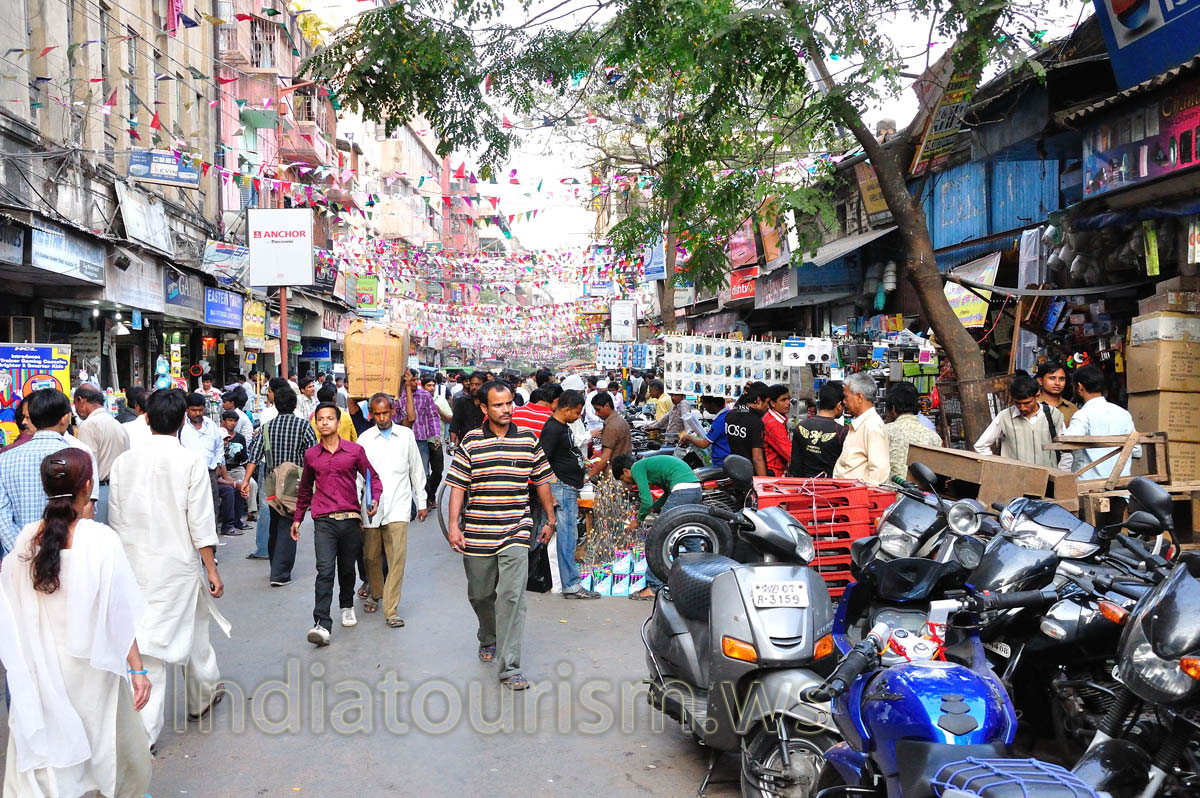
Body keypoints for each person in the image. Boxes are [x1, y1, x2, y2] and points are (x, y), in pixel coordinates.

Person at [0, 448, 152, 797]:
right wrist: (137, 668)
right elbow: (119, 612)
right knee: (102, 750)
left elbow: (11, 605)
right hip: (92, 672)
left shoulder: (25, 540)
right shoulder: (100, 539)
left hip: (41, 670)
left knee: (49, 760)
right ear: (88, 486)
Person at [108, 388, 228, 746]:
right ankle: (181, 711)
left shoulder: (123, 463)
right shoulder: (189, 462)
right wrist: (211, 568)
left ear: (146, 418)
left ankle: (166, 717)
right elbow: (201, 523)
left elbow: (116, 520)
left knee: (153, 642)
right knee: (184, 638)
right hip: (177, 567)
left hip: (134, 567)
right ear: (181, 421)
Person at [445, 380, 556, 691]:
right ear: (484, 408)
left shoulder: (528, 440)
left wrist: (549, 517)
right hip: (478, 531)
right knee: (480, 594)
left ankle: (509, 666)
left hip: (516, 529)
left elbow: (541, 480)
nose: (506, 410)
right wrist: (455, 525)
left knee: (511, 597)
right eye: (498, 405)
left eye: (509, 404)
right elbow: (457, 485)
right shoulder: (471, 441)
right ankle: (488, 634)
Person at [292, 403, 383, 646]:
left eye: (329, 418)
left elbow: (371, 476)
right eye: (320, 419)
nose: (324, 423)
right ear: (316, 423)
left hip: (350, 519)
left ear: (337, 421)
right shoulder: (311, 455)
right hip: (323, 520)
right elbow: (304, 489)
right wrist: (298, 517)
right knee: (324, 570)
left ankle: (345, 605)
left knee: (346, 568)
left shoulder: (354, 451)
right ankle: (322, 622)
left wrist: (373, 498)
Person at [0, 389, 99, 560]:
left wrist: (23, 551)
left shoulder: (5, 459)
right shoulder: (79, 455)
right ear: (64, 418)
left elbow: (2, 516)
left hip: (19, 559)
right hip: (69, 556)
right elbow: (86, 508)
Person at [357, 394, 427, 628]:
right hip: (371, 506)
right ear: (371, 414)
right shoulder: (365, 438)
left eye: (386, 413)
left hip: (399, 504)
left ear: (393, 411)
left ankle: (391, 609)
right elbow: (358, 476)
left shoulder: (406, 436)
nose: (382, 417)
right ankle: (376, 592)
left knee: (397, 558)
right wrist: (357, 506)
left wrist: (423, 500)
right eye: (377, 414)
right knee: (371, 556)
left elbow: (416, 469)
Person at [240, 385, 317, 586]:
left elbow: (254, 457)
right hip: (294, 483)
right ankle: (280, 574)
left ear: (276, 405)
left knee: (275, 522)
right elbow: (313, 456)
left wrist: (246, 481)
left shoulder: (266, 428)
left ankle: (276, 564)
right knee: (289, 523)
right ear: (293, 405)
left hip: (271, 483)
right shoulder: (303, 426)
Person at [612, 452, 701, 600]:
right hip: (694, 489)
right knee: (689, 535)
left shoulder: (636, 468)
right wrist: (654, 508)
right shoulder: (649, 466)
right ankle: (701, 579)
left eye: (623, 479)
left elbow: (645, 500)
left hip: (682, 490)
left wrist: (638, 520)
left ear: (626, 471)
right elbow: (667, 493)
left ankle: (653, 587)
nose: (627, 482)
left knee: (658, 537)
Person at [539, 390, 599, 599]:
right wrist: (551, 488)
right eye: (577, 412)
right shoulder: (552, 429)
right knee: (567, 537)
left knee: (567, 536)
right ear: (566, 409)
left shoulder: (562, 427)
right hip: (561, 488)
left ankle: (567, 583)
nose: (579, 416)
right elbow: (542, 461)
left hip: (567, 486)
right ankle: (571, 585)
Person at [973, 374, 1071, 470]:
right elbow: (981, 446)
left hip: (1048, 479)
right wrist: (999, 467)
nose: (1022, 407)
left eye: (1027, 403)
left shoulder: (1053, 415)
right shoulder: (1004, 417)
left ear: (1037, 396)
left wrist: (1060, 474)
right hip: (1015, 480)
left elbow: (1066, 451)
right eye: (1017, 403)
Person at [1062, 365, 1139, 481]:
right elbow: (1137, 451)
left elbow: (1066, 444)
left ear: (1079, 386)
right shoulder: (1123, 414)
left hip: (1088, 487)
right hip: (1120, 486)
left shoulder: (1083, 415)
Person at [73, 384, 129, 524]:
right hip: (120, 490)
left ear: (81, 400)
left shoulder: (89, 425)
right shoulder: (117, 425)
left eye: (75, 404)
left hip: (99, 492)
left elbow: (87, 465)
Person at [181, 392, 231, 536]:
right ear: (187, 409)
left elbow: (219, 446)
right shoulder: (182, 427)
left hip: (209, 473)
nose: (197, 413)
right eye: (194, 410)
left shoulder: (210, 425)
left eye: (200, 410)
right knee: (190, 509)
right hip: (187, 474)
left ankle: (211, 548)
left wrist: (217, 465)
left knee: (211, 508)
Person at [832, 373, 890, 485]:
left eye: (846, 397)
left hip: (855, 497)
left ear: (859, 397)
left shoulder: (872, 425)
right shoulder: (861, 424)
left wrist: (861, 496)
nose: (844, 402)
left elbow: (879, 473)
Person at [885, 381, 943, 482]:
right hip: (923, 496)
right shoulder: (934, 437)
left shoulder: (885, 431)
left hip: (890, 494)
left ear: (893, 408)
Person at [789, 382, 847, 478]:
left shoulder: (801, 427)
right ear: (839, 405)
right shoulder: (841, 432)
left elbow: (796, 464)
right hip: (831, 487)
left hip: (805, 486)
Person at [396, 369, 438, 492]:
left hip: (420, 440)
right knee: (404, 473)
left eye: (416, 380)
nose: (414, 383)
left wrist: (436, 436)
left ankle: (425, 500)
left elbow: (432, 415)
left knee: (424, 472)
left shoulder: (425, 396)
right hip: (403, 441)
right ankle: (411, 505)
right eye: (411, 380)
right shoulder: (398, 397)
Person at [725, 382, 770, 477]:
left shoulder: (730, 415)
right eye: (767, 402)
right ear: (758, 400)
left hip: (735, 471)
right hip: (751, 475)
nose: (768, 406)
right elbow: (757, 458)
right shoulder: (756, 423)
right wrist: (764, 484)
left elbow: (738, 407)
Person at [587, 391, 632, 478]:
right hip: (622, 472)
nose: (596, 413)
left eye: (598, 409)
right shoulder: (619, 420)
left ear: (607, 406)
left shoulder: (611, 426)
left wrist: (587, 477)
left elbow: (605, 457)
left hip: (614, 475)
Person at [220, 409, 252, 530]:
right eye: (230, 420)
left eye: (235, 421)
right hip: (219, 476)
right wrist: (233, 483)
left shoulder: (240, 438)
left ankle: (246, 515)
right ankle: (228, 523)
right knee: (232, 489)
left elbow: (244, 458)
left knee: (248, 485)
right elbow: (218, 476)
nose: (232, 423)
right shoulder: (217, 451)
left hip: (236, 469)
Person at [679, 396, 731, 467]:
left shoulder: (719, 421)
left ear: (712, 405)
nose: (704, 407)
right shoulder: (728, 415)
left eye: (704, 403)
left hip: (720, 463)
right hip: (728, 460)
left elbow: (703, 444)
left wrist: (689, 437)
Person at [449, 371, 485, 446]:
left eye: (477, 384)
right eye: (472, 384)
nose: (474, 387)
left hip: (484, 443)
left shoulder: (489, 403)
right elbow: (455, 424)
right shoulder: (461, 401)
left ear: (484, 385)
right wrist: (452, 442)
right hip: (464, 442)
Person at [763, 385, 792, 477]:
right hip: (774, 472)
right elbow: (789, 453)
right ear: (772, 403)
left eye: (788, 399)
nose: (788, 403)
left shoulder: (772, 418)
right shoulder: (773, 424)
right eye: (783, 400)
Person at [1037, 360, 1078, 425]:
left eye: (1062, 379)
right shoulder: (1032, 405)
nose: (1057, 383)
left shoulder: (1072, 409)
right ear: (1040, 381)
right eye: (1052, 378)